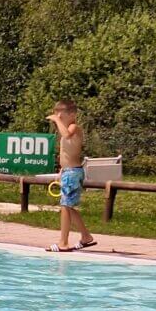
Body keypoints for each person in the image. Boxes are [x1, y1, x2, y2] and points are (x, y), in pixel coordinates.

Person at [45, 99, 97, 252]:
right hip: (69, 172)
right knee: (68, 207)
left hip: (73, 172)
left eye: (61, 116)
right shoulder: (66, 128)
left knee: (65, 207)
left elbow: (67, 135)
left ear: (72, 114)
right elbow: (67, 153)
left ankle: (63, 243)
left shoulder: (74, 127)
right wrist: (61, 171)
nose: (58, 119)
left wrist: (56, 120)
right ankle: (86, 237)